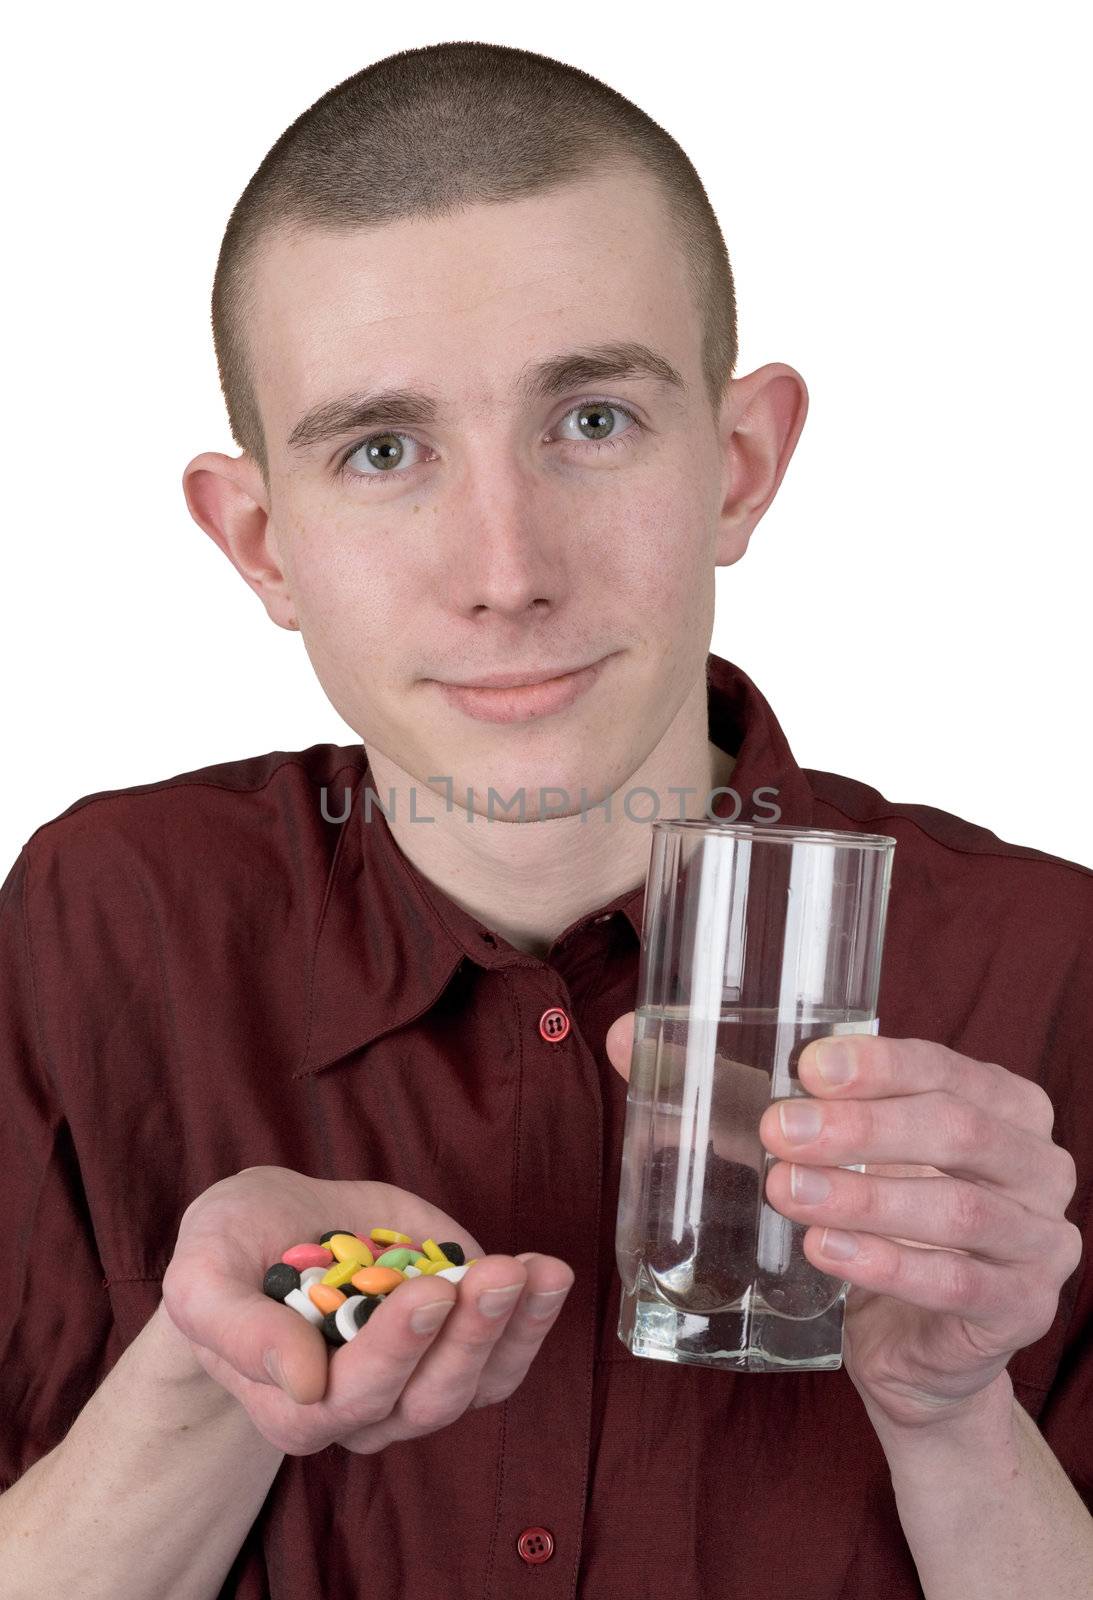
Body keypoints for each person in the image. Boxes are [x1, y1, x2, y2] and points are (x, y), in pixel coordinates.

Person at [1, 38, 1090, 1600]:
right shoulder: (97, 924)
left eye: (589, 421)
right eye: (382, 451)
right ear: (260, 542)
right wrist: (210, 1375)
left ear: (738, 462)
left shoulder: (1054, 969)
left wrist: (954, 1422)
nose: (504, 569)